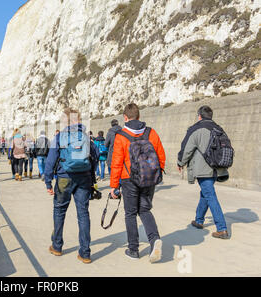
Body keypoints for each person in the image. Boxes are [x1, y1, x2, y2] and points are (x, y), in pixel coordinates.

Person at [110, 103, 165, 263]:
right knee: (145, 210)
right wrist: (156, 173)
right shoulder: (151, 132)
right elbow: (161, 155)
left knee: (130, 213)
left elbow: (117, 162)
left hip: (129, 179)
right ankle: (154, 240)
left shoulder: (121, 136)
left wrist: (114, 185)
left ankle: (133, 249)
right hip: (149, 178)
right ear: (139, 116)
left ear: (125, 118)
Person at [45, 108, 98, 264]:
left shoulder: (60, 137)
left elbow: (50, 160)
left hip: (64, 178)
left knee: (59, 210)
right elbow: (94, 158)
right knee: (83, 213)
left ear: (65, 121)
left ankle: (57, 246)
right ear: (78, 120)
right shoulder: (87, 137)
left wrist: (48, 181)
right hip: (83, 178)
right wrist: (91, 177)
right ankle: (85, 253)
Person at [177, 105, 230, 239]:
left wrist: (180, 162)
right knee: (206, 193)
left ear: (199, 116)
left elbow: (186, 148)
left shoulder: (196, 128)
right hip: (217, 168)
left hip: (203, 168)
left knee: (210, 195)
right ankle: (199, 220)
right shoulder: (218, 128)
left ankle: (222, 228)